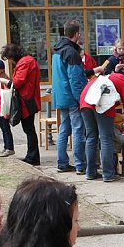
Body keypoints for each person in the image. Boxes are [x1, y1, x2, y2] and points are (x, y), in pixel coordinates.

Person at [79, 73, 124, 182]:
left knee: (91, 137)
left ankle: (90, 172)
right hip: (102, 102)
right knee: (106, 139)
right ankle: (108, 174)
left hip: (85, 101)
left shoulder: (108, 77)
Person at [52, 20, 88, 174]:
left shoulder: (57, 50)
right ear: (77, 34)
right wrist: (81, 99)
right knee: (78, 130)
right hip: (72, 97)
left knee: (63, 130)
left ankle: (62, 163)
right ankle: (80, 165)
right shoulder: (72, 53)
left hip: (60, 96)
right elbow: (75, 80)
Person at [1, 43, 41, 166]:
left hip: (26, 99)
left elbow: (18, 82)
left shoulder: (25, 63)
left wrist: (7, 82)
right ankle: (32, 155)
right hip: (28, 98)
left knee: (29, 129)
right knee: (29, 129)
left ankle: (32, 156)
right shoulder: (27, 61)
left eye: (9, 58)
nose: (10, 62)